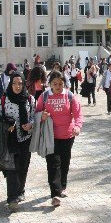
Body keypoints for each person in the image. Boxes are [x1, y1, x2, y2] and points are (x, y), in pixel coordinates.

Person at [36, 71, 83, 207]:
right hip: (50, 136)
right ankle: (55, 194)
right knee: (53, 164)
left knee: (64, 162)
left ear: (64, 84)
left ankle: (62, 185)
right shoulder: (44, 97)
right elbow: (36, 113)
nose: (57, 87)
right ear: (49, 84)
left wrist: (78, 127)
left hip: (67, 136)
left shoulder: (69, 96)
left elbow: (78, 114)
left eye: (60, 84)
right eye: (55, 84)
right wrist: (42, 116)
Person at [0, 73, 35, 211]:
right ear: (10, 84)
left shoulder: (30, 99)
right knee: (11, 168)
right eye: (14, 83)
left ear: (23, 84)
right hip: (9, 139)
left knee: (22, 167)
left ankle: (20, 190)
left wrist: (30, 125)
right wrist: (7, 125)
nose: (17, 86)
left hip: (25, 139)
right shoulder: (4, 100)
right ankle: (12, 198)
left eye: (20, 83)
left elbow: (34, 116)